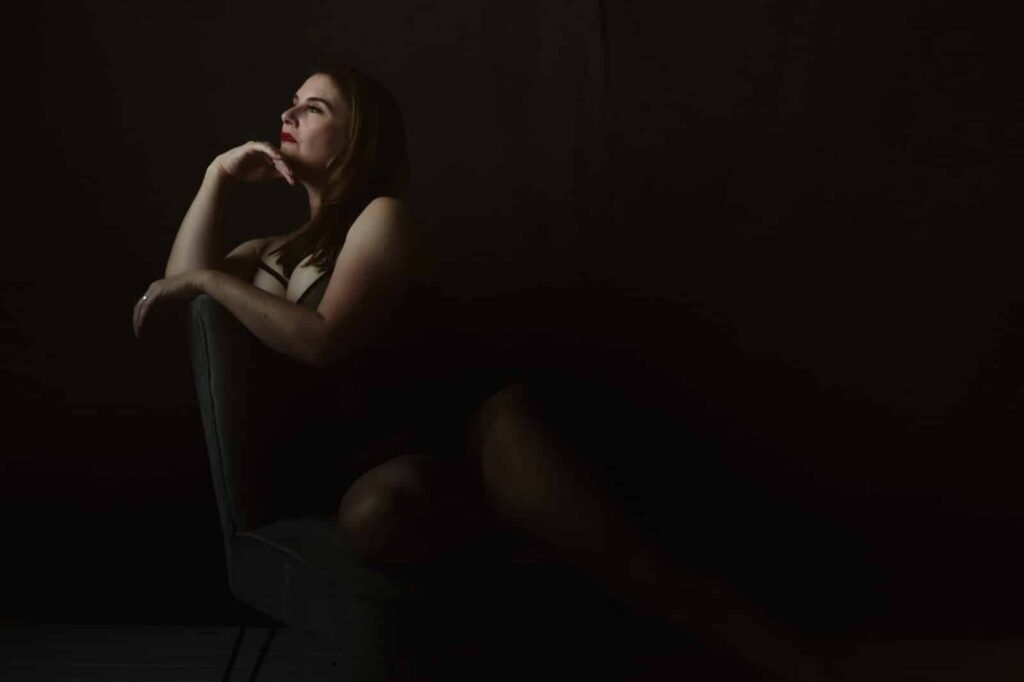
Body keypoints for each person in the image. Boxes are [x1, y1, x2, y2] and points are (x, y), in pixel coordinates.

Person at [132, 58, 848, 682]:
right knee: (375, 519)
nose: (288, 115)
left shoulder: (381, 218)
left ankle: (811, 672)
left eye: (314, 107)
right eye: (291, 102)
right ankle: (524, 554)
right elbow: (173, 302)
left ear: (356, 138)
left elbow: (322, 339)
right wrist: (217, 177)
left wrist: (211, 281)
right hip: (377, 454)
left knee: (638, 570)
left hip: (467, 424)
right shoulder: (269, 252)